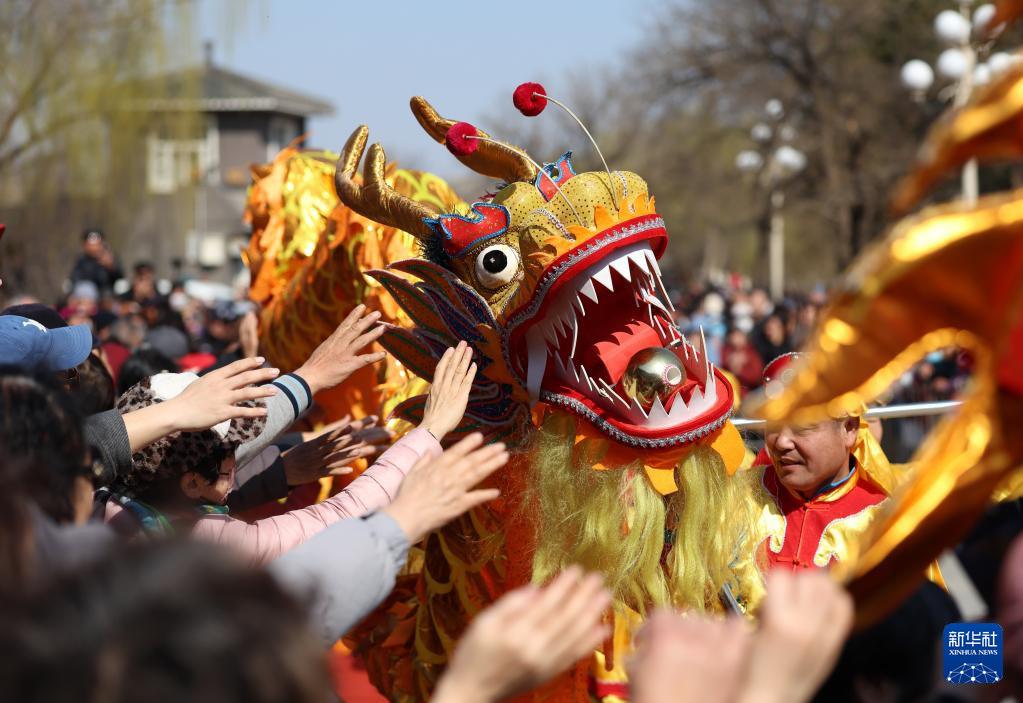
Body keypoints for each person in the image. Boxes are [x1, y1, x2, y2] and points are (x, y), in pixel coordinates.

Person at [99, 342, 477, 564]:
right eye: (232, 449)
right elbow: (337, 517)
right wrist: (430, 430)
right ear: (193, 483)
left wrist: (309, 379)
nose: (239, 456)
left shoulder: (106, 496)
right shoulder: (210, 545)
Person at [753, 353, 893, 570]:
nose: (781, 442)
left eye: (801, 426)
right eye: (773, 425)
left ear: (849, 429)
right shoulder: (737, 499)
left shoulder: (886, 526)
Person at [68, 227, 123, 294]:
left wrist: (111, 267)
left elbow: (120, 279)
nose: (94, 247)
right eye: (90, 244)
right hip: (86, 293)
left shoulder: (110, 258)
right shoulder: (81, 260)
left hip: (107, 293)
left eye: (97, 244)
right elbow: (75, 278)